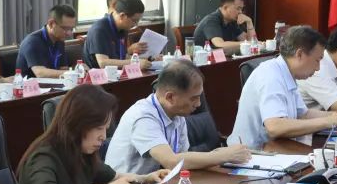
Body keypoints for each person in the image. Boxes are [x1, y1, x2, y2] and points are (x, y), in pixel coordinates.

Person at [15, 85, 164, 184]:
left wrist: (148, 179)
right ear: (78, 124)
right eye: (99, 128)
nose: (103, 137)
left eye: (105, 129)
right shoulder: (44, 155)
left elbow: (115, 177)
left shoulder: (82, 151)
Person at [105, 60, 251, 174]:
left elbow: (183, 158)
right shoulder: (143, 117)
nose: (199, 104)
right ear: (170, 97)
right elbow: (171, 162)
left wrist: (220, 154)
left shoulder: (177, 114)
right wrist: (223, 156)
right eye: (193, 98)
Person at [231, 26, 337, 147]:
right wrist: (329, 121)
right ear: (299, 54)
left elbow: (304, 114)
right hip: (251, 155)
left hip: (278, 149)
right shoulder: (270, 75)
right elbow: (275, 127)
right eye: (317, 60)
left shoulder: (287, 73)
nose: (318, 68)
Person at [83, 0, 151, 70]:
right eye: (134, 21)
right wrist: (135, 63)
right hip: (98, 75)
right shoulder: (99, 30)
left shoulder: (122, 28)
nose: (136, 24)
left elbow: (123, 57)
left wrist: (148, 59)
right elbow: (103, 62)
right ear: (122, 16)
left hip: (117, 73)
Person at [17, 4, 78, 78]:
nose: (69, 33)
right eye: (65, 28)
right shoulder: (32, 42)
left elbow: (63, 69)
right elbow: (40, 73)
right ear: (51, 24)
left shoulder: (60, 40)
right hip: (29, 84)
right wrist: (73, 72)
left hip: (53, 83)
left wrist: (78, 69)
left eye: (71, 29)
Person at [192, 0, 256, 52]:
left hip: (225, 57)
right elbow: (220, 45)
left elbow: (250, 41)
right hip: (205, 58)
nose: (240, 12)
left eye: (241, 9)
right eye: (238, 8)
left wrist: (249, 22)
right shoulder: (211, 20)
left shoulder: (231, 21)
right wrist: (248, 43)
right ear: (225, 7)